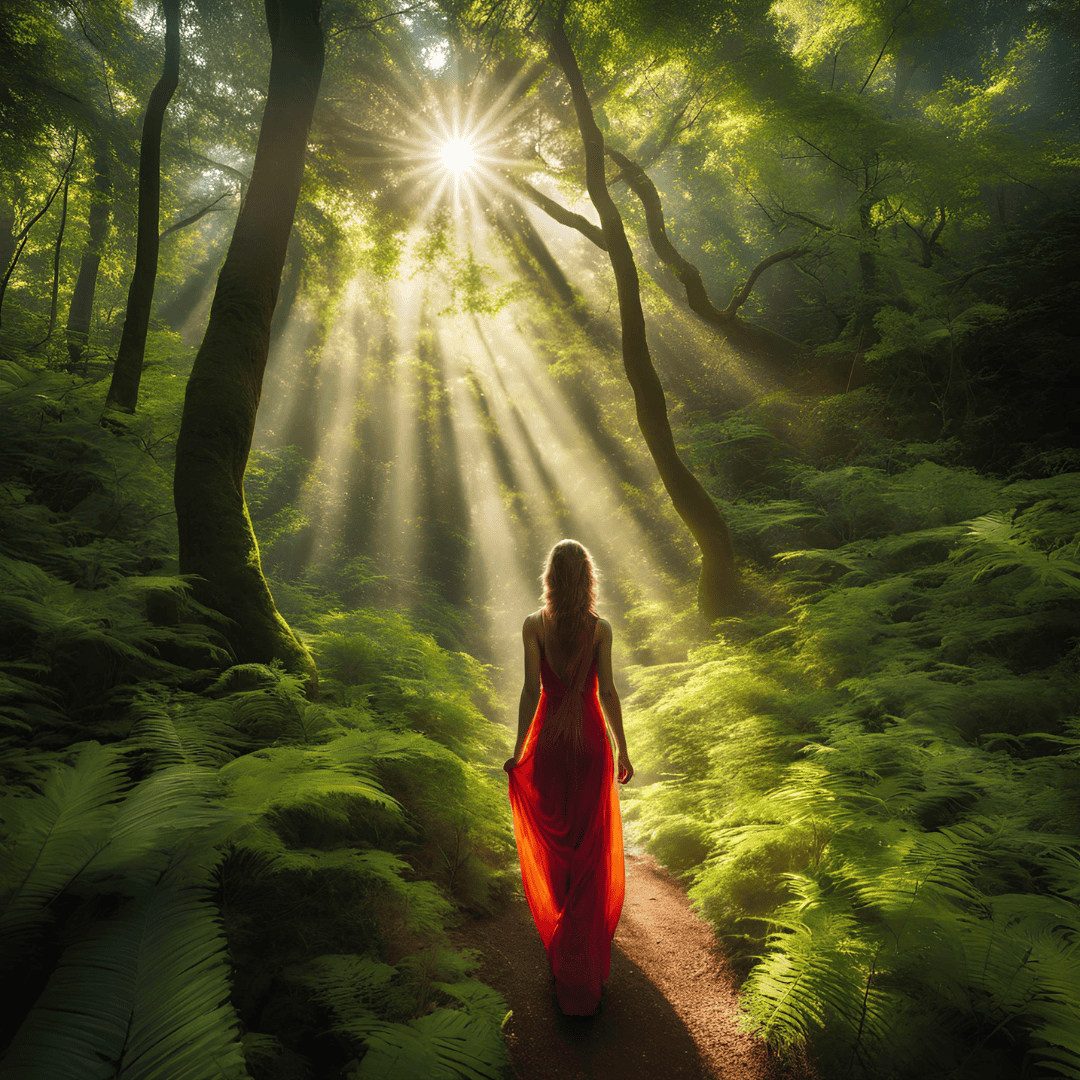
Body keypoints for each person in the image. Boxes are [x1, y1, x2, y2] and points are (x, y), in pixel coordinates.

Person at [504, 539, 633, 1015]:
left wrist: (518, 751)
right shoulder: (600, 630)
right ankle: (583, 956)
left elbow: (531, 690)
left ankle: (564, 947)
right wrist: (623, 747)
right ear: (588, 577)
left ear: (551, 577)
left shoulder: (533, 625)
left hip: (551, 746)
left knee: (557, 840)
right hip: (592, 744)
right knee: (589, 845)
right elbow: (609, 693)